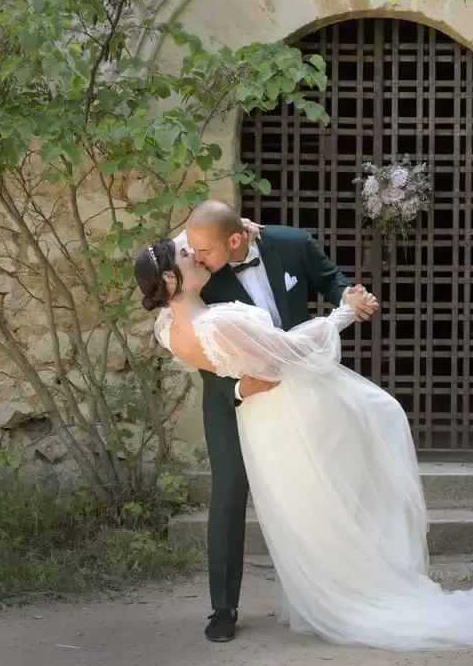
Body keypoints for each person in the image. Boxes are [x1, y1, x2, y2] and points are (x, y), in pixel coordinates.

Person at [136, 236, 473, 651]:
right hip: (282, 400)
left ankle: (348, 577)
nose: (193, 249)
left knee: (316, 498)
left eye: (196, 246)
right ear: (173, 279)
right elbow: (290, 351)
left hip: (263, 412)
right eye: (186, 252)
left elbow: (178, 251)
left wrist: (241, 225)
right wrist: (342, 315)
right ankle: (330, 589)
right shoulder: (216, 319)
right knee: (345, 466)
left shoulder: (166, 328)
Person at [153, 200, 379, 642]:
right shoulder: (199, 269)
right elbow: (202, 349)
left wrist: (351, 297)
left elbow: (332, 279)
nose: (197, 257)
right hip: (229, 396)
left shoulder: (293, 243)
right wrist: (238, 390)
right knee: (230, 491)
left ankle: (330, 593)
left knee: (314, 485)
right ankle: (223, 607)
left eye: (205, 251)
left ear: (236, 239)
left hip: (294, 388)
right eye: (193, 252)